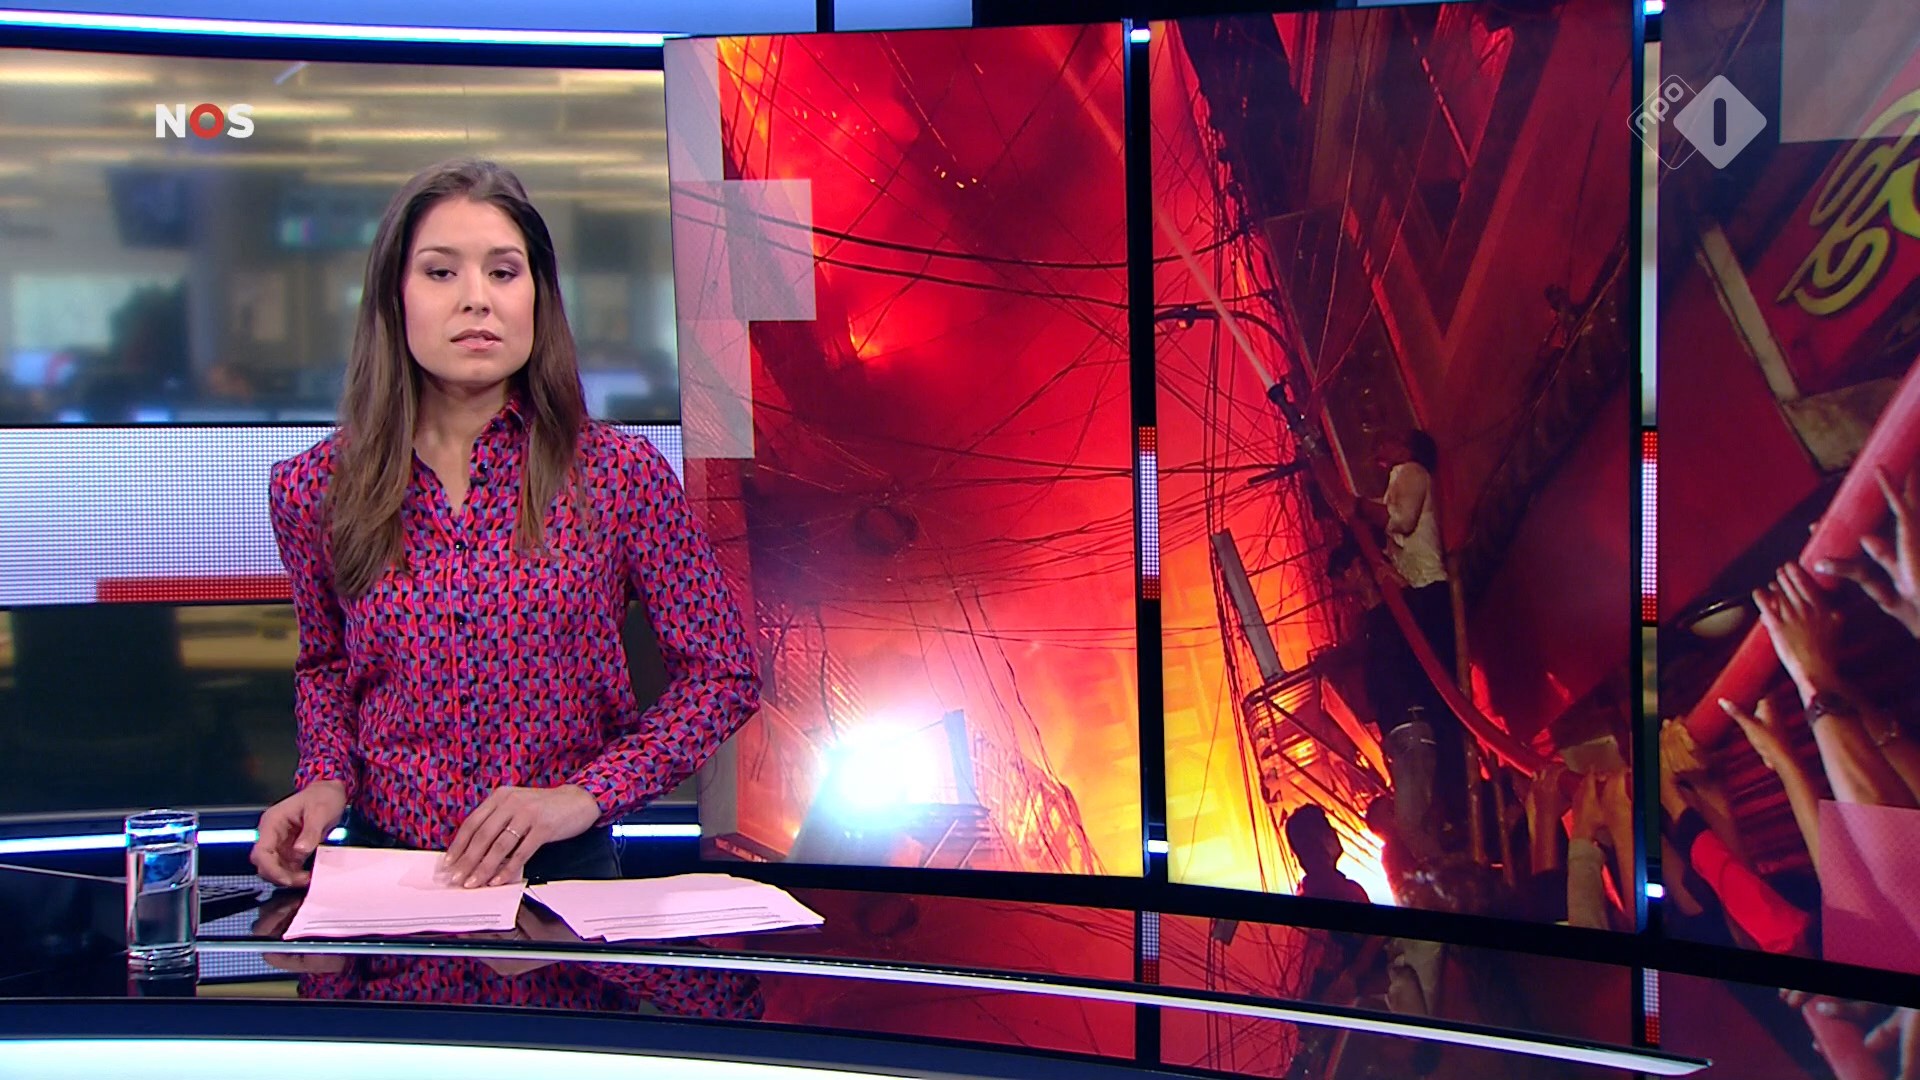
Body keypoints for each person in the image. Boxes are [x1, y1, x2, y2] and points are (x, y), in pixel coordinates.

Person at [249, 159, 760, 891]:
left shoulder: (617, 476)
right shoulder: (315, 487)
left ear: (537, 296)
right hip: (385, 876)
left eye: (503, 272)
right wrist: (324, 779)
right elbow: (328, 667)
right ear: (393, 297)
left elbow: (722, 673)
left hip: (564, 877)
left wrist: (585, 796)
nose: (476, 299)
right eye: (441, 272)